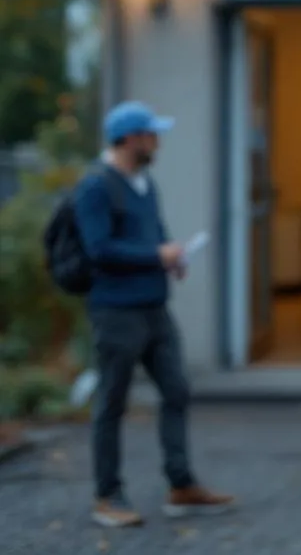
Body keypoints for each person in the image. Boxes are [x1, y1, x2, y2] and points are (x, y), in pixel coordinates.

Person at [72, 101, 234, 528]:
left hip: (154, 308)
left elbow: (155, 236)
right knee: (112, 401)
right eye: (151, 134)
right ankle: (107, 495)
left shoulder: (144, 184)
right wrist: (155, 255)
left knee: (176, 390)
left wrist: (172, 258)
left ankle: (181, 484)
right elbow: (98, 249)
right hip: (116, 311)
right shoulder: (96, 186)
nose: (157, 142)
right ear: (129, 139)